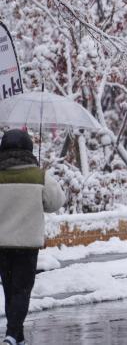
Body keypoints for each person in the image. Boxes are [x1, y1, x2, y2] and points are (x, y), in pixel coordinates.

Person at [0, 129, 65, 345]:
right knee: (22, 290)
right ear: (29, 149)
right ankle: (11, 334)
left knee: (10, 290)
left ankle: (17, 337)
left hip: (2, 244)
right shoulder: (38, 175)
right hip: (27, 245)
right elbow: (56, 202)